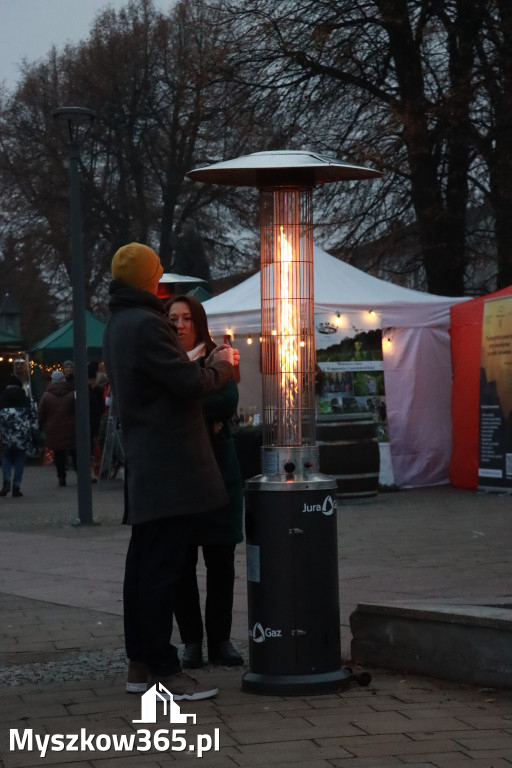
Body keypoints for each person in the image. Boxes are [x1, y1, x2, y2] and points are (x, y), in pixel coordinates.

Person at [103, 242, 238, 701]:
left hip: (147, 465)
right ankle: (164, 672)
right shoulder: (146, 324)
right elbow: (187, 383)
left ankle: (139, 665)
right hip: (169, 467)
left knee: (142, 568)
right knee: (160, 570)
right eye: (158, 272)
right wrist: (219, 367)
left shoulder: (120, 323)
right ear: (150, 279)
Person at [168, 295, 244, 669]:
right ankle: (192, 642)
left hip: (219, 475)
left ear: (198, 322)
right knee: (181, 566)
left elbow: (226, 402)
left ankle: (220, 640)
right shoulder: (165, 362)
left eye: (185, 318)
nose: (179, 324)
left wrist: (181, 408)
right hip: (179, 479)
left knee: (221, 563)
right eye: (173, 318)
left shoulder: (220, 356)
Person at [0, 375, 38, 497]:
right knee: (20, 459)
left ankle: (6, 480)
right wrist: (34, 432)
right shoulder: (26, 400)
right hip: (22, 434)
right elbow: (33, 418)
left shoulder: (2, 399)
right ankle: (16, 486)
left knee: (5, 457)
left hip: (6, 434)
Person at [38, 370, 76, 487]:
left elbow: (41, 413)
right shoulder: (72, 393)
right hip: (71, 428)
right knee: (75, 453)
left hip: (53, 429)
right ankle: (81, 474)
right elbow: (78, 410)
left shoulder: (46, 395)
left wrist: (42, 425)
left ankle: (61, 477)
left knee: (59, 454)